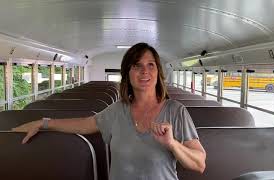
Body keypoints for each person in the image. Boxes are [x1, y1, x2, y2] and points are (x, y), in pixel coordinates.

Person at [12, 42, 206, 180]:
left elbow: (199, 164)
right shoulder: (117, 111)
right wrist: (43, 122)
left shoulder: (176, 111)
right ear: (127, 74)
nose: (144, 71)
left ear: (158, 72)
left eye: (150, 65)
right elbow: (85, 124)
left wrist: (172, 144)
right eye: (137, 66)